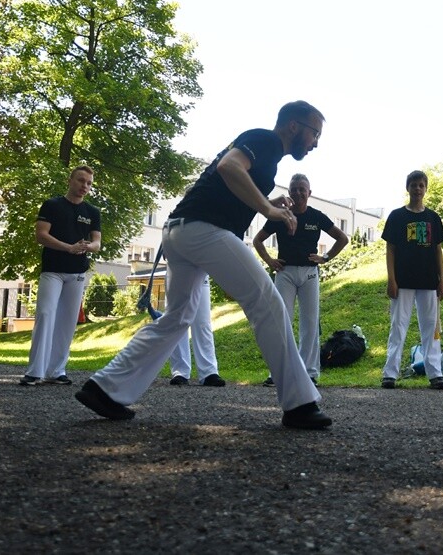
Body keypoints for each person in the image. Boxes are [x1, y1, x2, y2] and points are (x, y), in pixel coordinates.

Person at [75, 101, 332, 429]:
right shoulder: (266, 140)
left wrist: (267, 202)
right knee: (267, 302)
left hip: (179, 231)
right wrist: (269, 211)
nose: (315, 143)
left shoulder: (266, 153)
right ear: (294, 126)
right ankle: (299, 405)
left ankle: (104, 389)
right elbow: (229, 167)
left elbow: (229, 188)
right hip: (203, 230)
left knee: (177, 318)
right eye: (314, 134)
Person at [253, 173, 348, 386]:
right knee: (281, 321)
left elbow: (342, 238)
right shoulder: (280, 216)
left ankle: (310, 372)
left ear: (309, 193)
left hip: (309, 273)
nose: (298, 193)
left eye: (302, 189)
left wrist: (325, 257)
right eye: (294, 189)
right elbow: (258, 240)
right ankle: (278, 372)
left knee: (310, 323)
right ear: (289, 192)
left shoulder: (317, 216)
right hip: (285, 273)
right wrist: (269, 260)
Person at [19, 166, 101, 386]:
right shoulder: (52, 205)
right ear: (70, 180)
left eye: (89, 183)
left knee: (67, 322)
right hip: (53, 270)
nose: (84, 186)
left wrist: (88, 246)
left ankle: (56, 371)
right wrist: (68, 247)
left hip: (77, 273)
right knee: (45, 314)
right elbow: (41, 235)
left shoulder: (92, 212)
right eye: (81, 180)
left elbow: (97, 243)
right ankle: (34, 371)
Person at [380, 170, 443, 390]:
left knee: (431, 329)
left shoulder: (433, 218)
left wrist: (442, 279)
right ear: (407, 188)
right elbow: (390, 249)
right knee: (398, 327)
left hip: (428, 281)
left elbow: (438, 250)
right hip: (403, 281)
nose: (417, 189)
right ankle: (390, 374)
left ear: (426, 188)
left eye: (421, 185)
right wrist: (391, 280)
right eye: (413, 185)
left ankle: (435, 373)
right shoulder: (397, 216)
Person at [166, 276, 226, 387]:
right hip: (176, 270)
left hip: (201, 271)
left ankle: (209, 372)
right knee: (178, 321)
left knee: (203, 322)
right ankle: (180, 372)